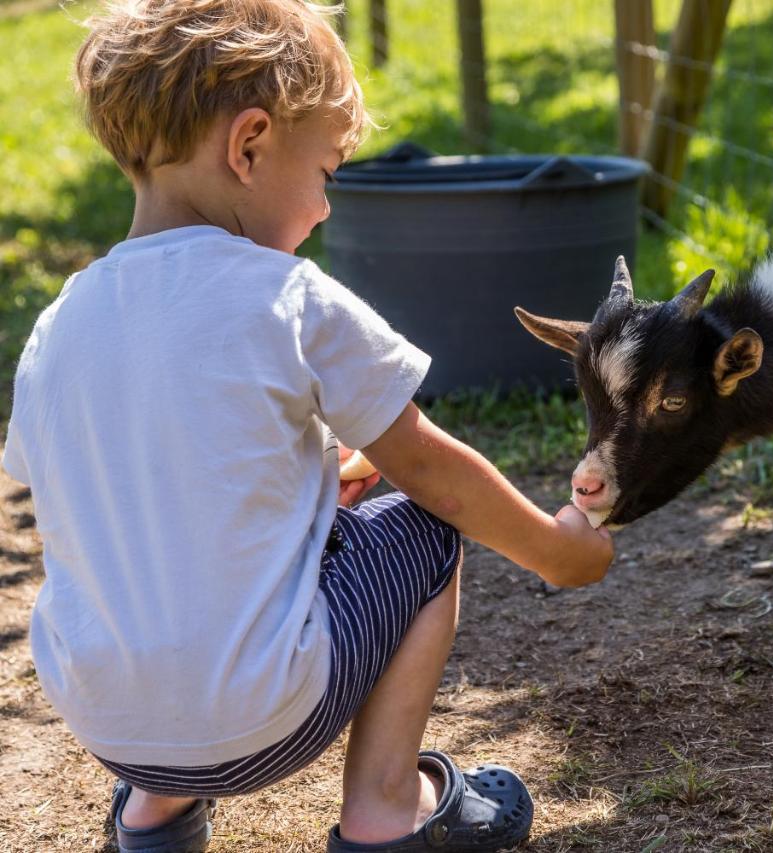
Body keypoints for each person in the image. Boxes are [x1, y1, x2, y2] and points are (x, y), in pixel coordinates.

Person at [1, 2, 614, 850]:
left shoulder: (59, 321)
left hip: (103, 718)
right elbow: (432, 470)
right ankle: (383, 811)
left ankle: (152, 813)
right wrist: (558, 548)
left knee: (129, 549)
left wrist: (312, 487)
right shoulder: (286, 297)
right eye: (327, 172)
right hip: (266, 719)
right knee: (428, 528)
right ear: (250, 145)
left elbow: (130, 487)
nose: (326, 210)